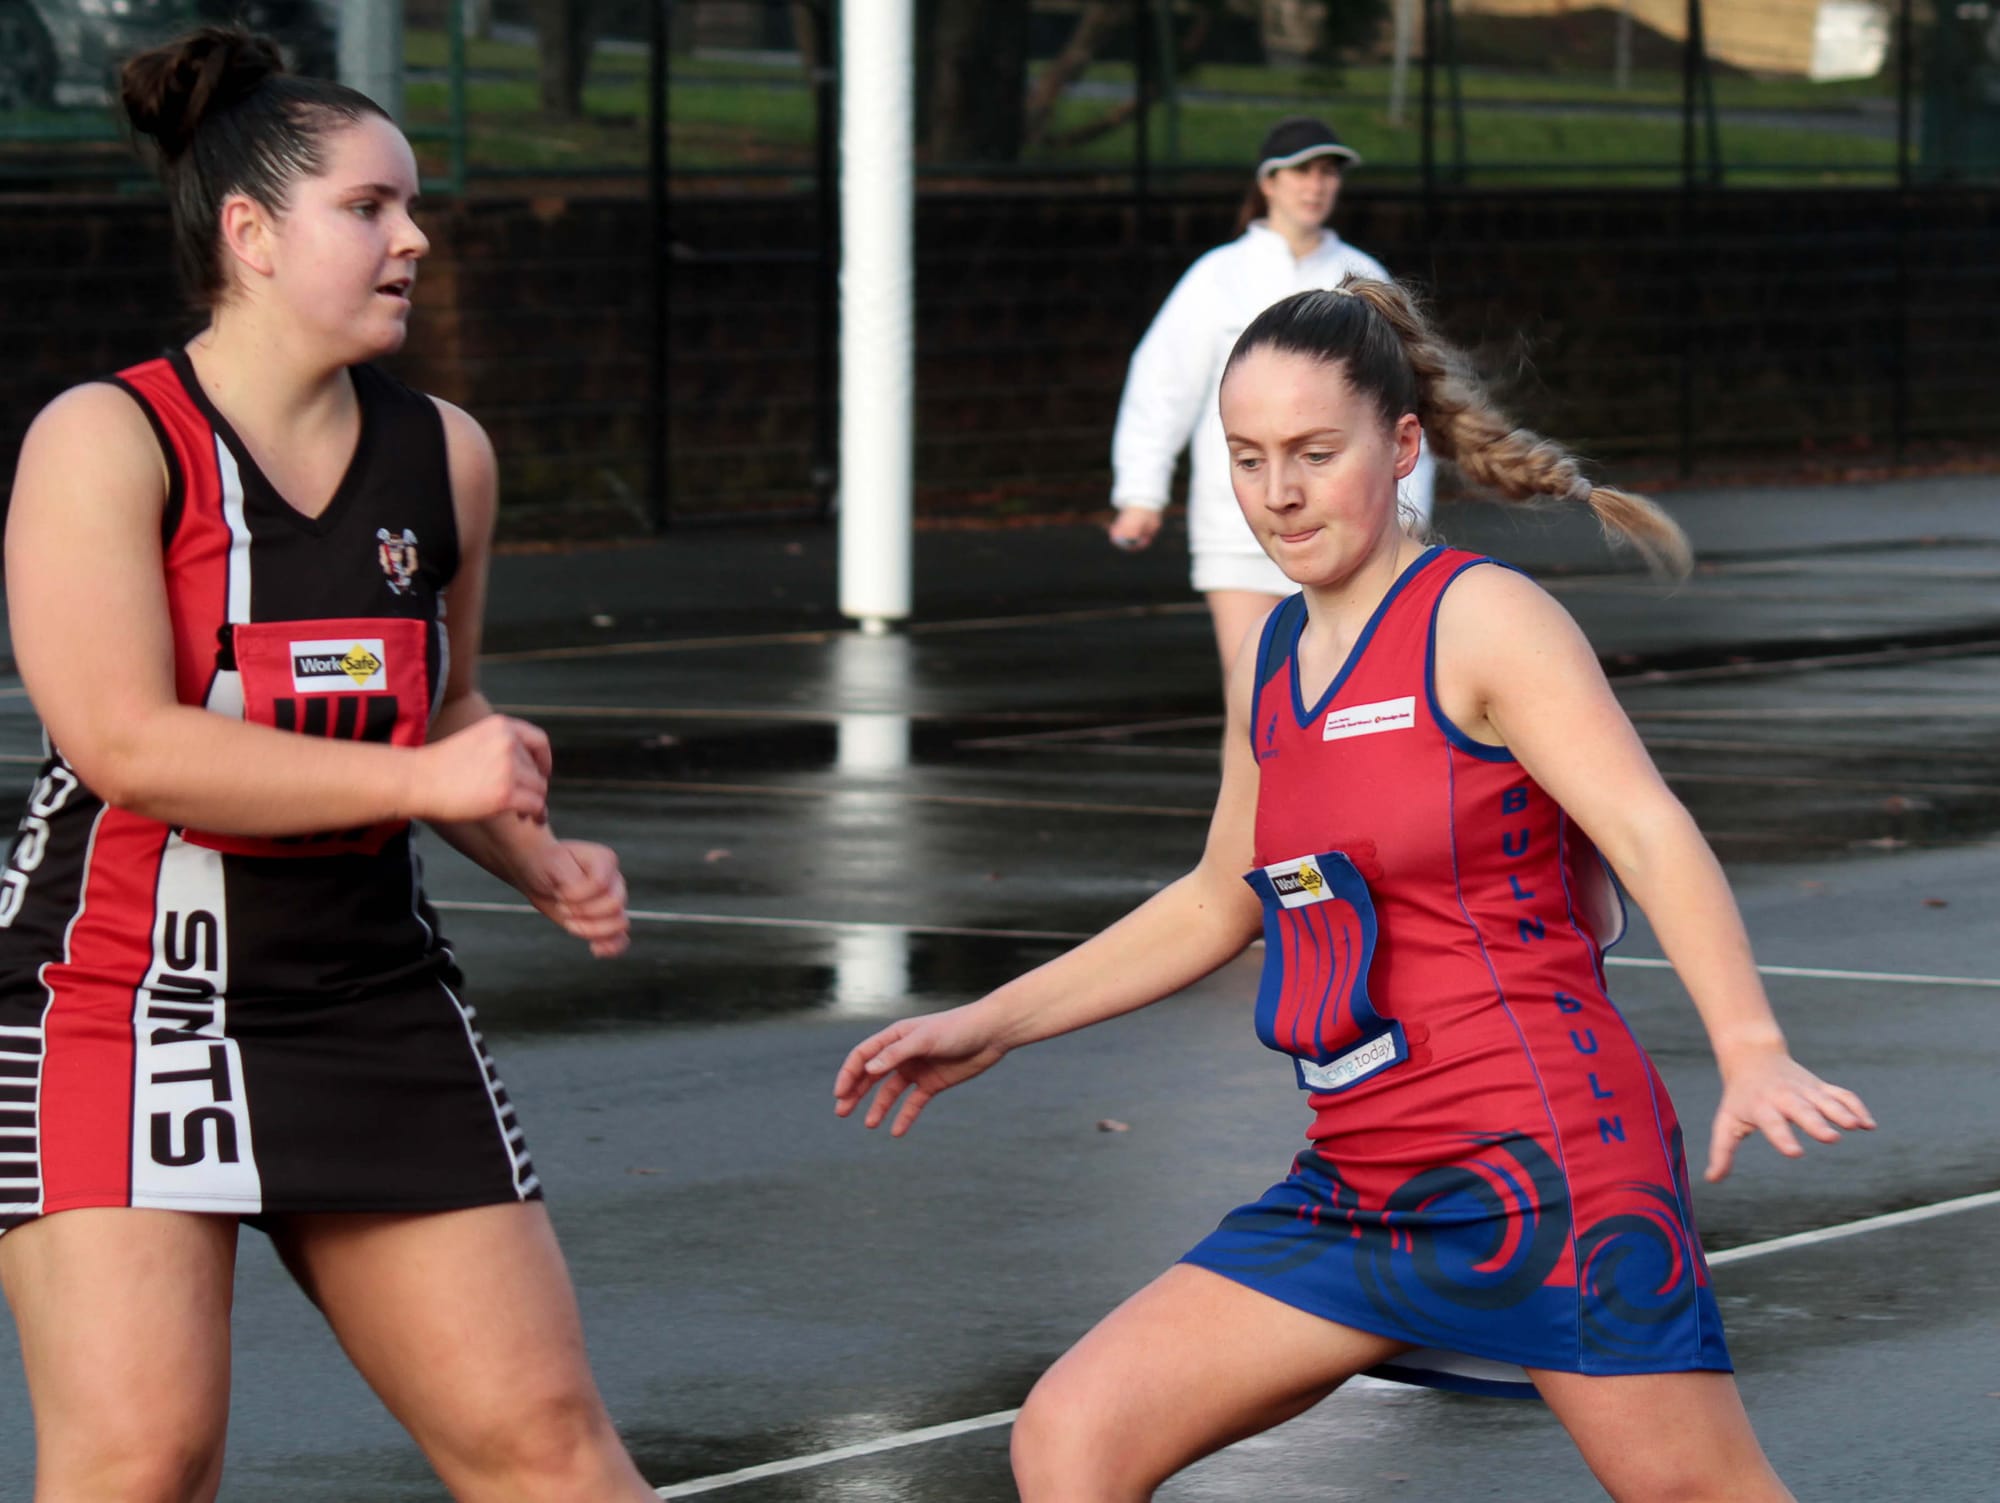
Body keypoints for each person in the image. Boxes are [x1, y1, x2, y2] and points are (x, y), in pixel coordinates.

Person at [836, 280, 1875, 1502]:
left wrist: (1749, 1047)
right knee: (1073, 1435)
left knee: (1701, 1494)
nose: (1278, 493)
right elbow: (1220, 896)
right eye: (1246, 459)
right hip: (1360, 1172)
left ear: (1398, 448)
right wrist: (987, 1022)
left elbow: (1647, 833)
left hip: (1540, 1161)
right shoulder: (1273, 656)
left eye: (1314, 454)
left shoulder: (1479, 619)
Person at [0, 29, 654, 1502]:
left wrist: (536, 853)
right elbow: (126, 743)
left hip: (368, 997)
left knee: (553, 1457)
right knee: (140, 1461)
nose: (413, 237)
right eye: (369, 207)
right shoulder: (106, 441)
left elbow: (446, 711)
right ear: (249, 233)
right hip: (122, 999)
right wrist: (434, 787)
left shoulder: (447, 457)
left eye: (411, 206)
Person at [1108, 115, 1437, 671]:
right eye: (1300, 171)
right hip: (1237, 530)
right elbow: (1162, 383)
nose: (1316, 185)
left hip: (1343, 528)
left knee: (1344, 698)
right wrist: (1140, 494)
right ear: (1268, 183)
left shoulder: (1361, 276)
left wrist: (1410, 514)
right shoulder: (1217, 276)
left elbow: (1402, 404)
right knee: (1255, 697)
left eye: (1328, 172)